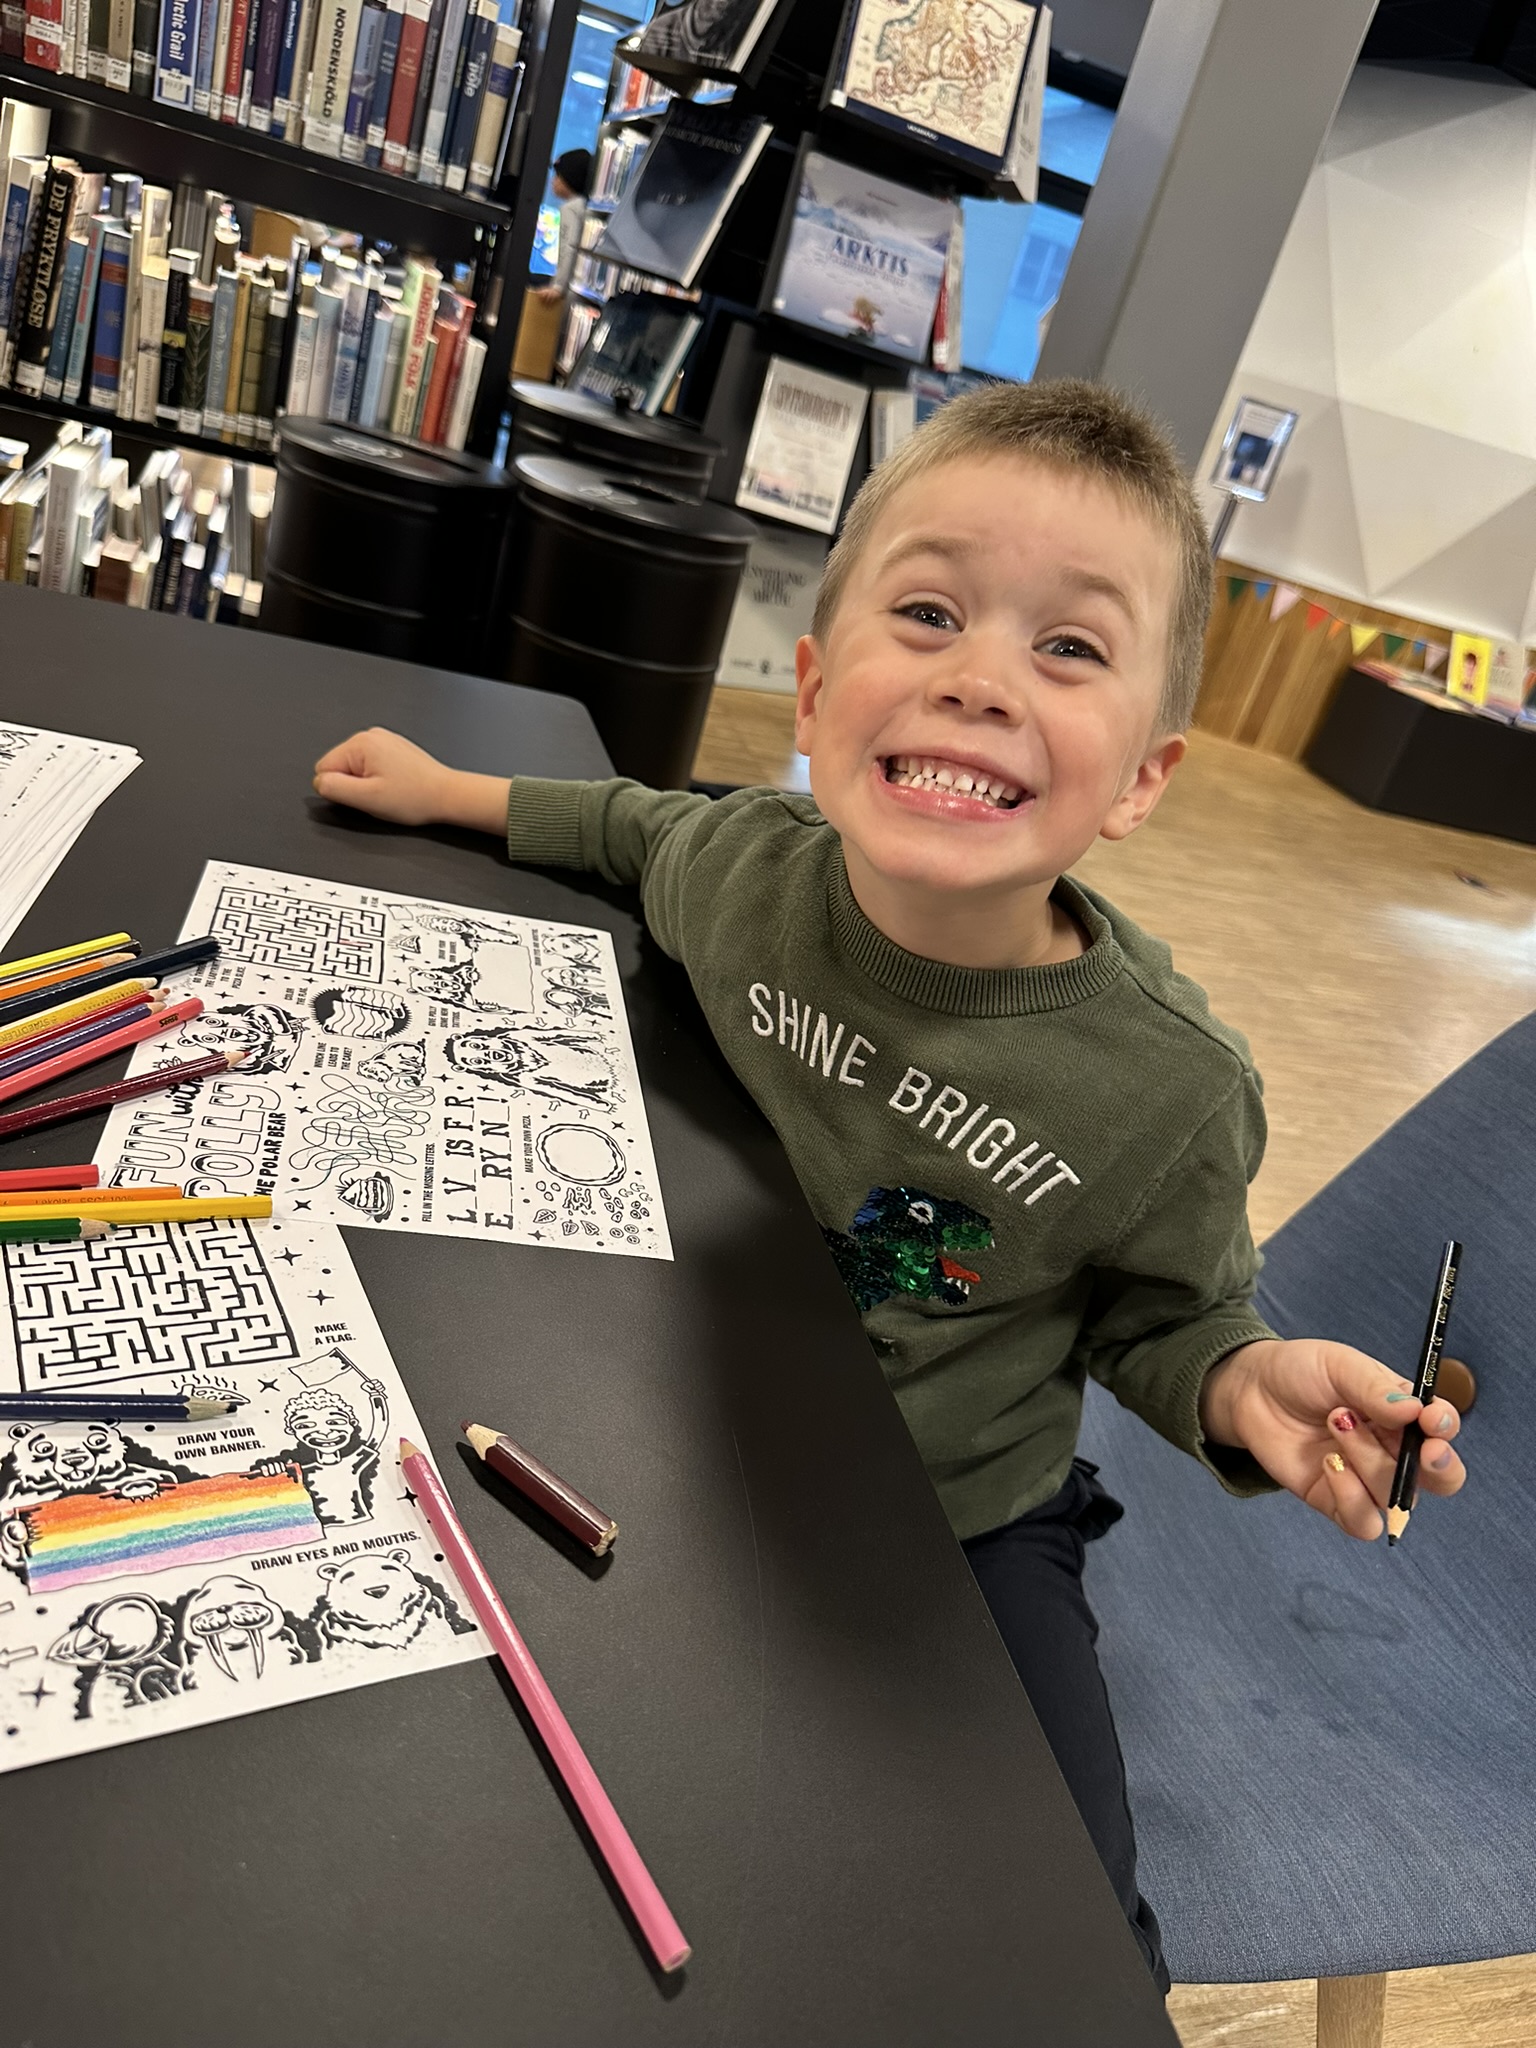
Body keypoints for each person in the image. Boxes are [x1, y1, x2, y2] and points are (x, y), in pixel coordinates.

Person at [311, 379, 1468, 1990]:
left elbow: (1165, 1317)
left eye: (1070, 647)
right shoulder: (747, 874)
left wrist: (1239, 1378)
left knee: (1060, 1933)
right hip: (704, 1412)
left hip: (966, 1517)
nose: (980, 677)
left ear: (1142, 779)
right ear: (812, 687)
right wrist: (454, 794)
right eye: (928, 613)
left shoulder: (1172, 1089)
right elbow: (639, 831)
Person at [533, 148, 591, 308]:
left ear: (571, 179)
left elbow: (568, 247)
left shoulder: (570, 208)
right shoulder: (585, 206)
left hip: (569, 290)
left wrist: (558, 286)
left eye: (558, 175)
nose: (553, 181)